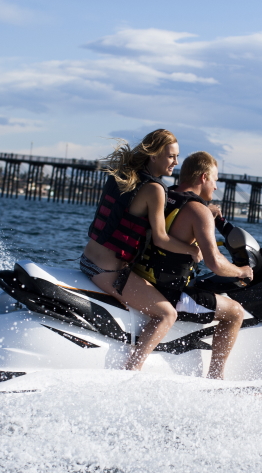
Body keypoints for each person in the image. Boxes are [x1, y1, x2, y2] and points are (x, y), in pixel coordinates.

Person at [79, 129, 202, 370]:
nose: (176, 162)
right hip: (109, 273)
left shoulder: (122, 175)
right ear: (154, 155)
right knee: (167, 314)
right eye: (171, 156)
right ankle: (132, 371)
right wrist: (191, 250)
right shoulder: (155, 189)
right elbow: (161, 239)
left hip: (86, 260)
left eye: (177, 157)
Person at [133, 151, 253, 379]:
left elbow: (177, 218)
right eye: (216, 180)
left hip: (142, 278)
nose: (216, 187)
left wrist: (207, 210)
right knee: (235, 312)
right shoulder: (199, 212)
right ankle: (215, 378)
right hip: (169, 292)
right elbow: (215, 263)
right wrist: (241, 272)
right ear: (204, 178)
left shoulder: (164, 194)